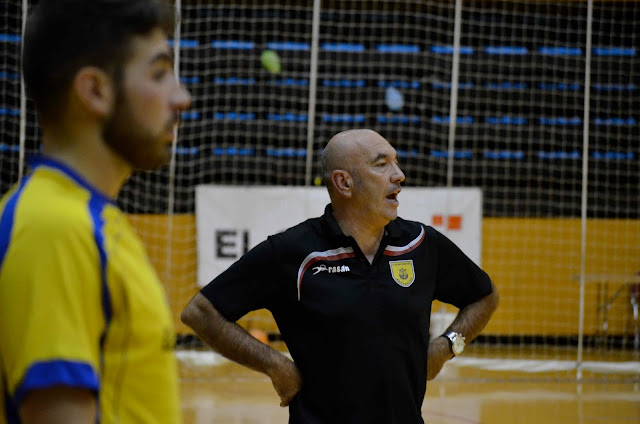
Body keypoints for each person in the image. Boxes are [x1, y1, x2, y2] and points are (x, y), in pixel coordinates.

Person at [182, 129, 499, 423]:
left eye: (396, 162)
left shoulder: (421, 243)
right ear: (344, 183)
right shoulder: (292, 252)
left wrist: (447, 345)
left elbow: (484, 296)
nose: (399, 175)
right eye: (381, 164)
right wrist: (275, 365)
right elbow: (201, 312)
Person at [0, 0, 191, 422]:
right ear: (95, 91)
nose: (182, 97)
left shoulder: (88, 218)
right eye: (160, 73)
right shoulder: (55, 229)